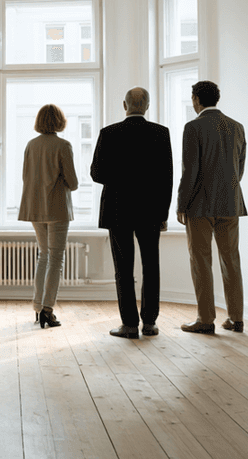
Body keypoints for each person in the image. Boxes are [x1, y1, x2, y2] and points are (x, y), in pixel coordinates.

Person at [90, 87, 172, 339]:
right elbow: (167, 177)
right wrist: (163, 213)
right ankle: (150, 323)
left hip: (118, 209)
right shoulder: (160, 133)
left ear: (124, 105)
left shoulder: (109, 133)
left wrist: (120, 176)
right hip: (150, 211)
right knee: (151, 266)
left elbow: (96, 173)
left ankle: (129, 325)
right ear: (147, 106)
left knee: (123, 269)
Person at [176, 80, 248, 334]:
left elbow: (190, 171)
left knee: (201, 261)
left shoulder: (193, 127)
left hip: (200, 205)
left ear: (196, 99)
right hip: (230, 203)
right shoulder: (236, 127)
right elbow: (239, 169)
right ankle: (236, 318)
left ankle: (205, 319)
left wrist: (181, 204)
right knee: (231, 260)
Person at [18, 104, 79, 329]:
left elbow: (25, 177)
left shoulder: (31, 145)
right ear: (60, 121)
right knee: (56, 258)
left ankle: (37, 306)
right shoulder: (63, 145)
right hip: (57, 208)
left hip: (35, 207)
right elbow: (72, 183)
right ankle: (47, 310)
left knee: (43, 256)